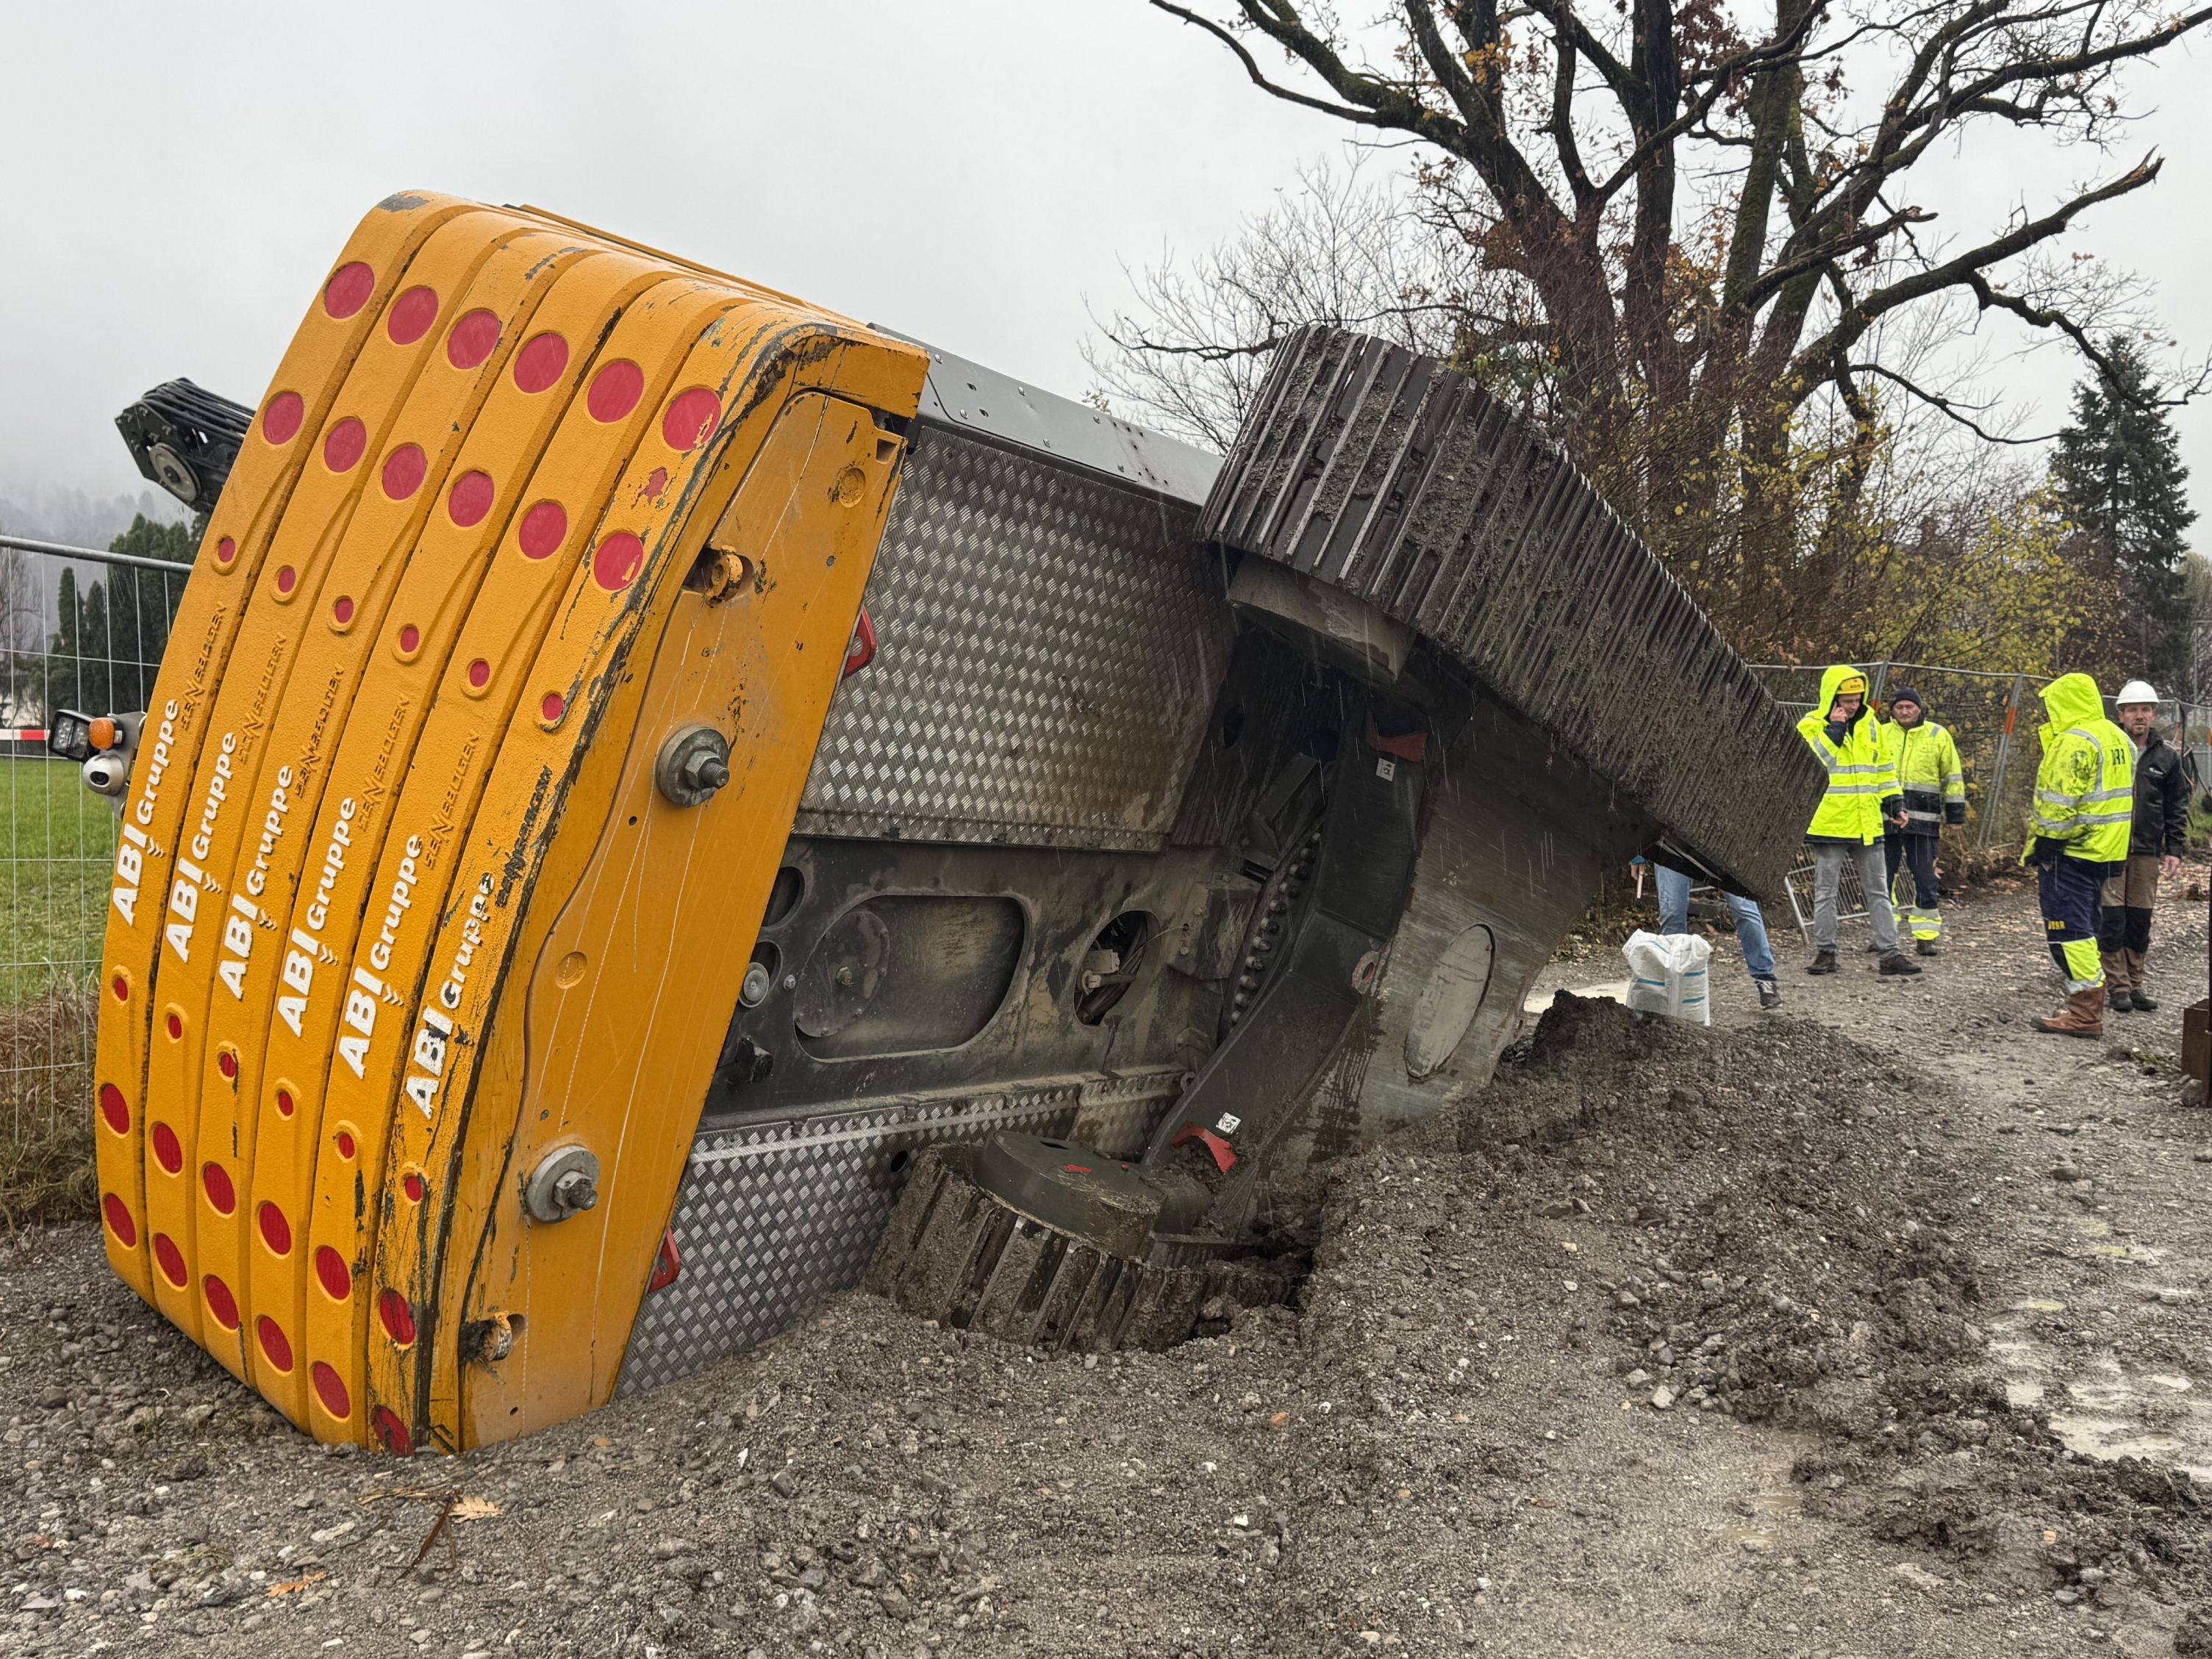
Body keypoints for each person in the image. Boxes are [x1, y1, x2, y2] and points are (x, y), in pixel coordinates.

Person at [2026, 673, 2136, 1038]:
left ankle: (2085, 1014)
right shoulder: (2117, 737)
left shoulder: (2074, 741)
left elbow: (2060, 801)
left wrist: (2046, 845)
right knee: (2087, 926)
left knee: (2069, 932)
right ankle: (2085, 1005)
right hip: (2106, 851)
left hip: (2071, 852)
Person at [1797, 665, 1921, 977]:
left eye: (1856, 699)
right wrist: (1834, 732)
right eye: (1846, 700)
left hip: (1867, 822)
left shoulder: (1871, 724)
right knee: (1826, 891)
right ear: (1832, 697)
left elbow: (1883, 769)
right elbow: (1809, 765)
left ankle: (1890, 954)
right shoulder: (1811, 725)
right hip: (1829, 824)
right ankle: (1826, 953)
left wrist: (1895, 803)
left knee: (1878, 890)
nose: (1852, 706)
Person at [2100, 680, 2189, 1013]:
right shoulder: (2107, 748)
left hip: (2146, 850)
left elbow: (2176, 804)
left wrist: (2174, 849)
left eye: (2146, 710)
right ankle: (2117, 986)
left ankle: (2135, 984)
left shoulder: (2166, 757)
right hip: (2109, 847)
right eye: (2133, 710)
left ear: (2153, 715)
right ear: (2120, 714)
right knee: (2112, 917)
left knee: (2140, 919)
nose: (2140, 716)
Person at [1877, 687, 1967, 956]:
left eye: (1910, 707)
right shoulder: (1881, 733)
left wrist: (1956, 817)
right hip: (1886, 819)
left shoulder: (1938, 735)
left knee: (1924, 877)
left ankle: (1925, 935)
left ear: (1919, 709)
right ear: (1892, 710)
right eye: (1899, 707)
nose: (1905, 712)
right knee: (1883, 878)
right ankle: (1885, 933)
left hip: (1923, 823)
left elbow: (1952, 777)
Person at [1650, 859, 1783, 1009]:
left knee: (1744, 908)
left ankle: (1765, 978)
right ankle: (1674, 986)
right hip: (1672, 845)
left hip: (1723, 844)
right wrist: (1640, 852)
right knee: (1672, 912)